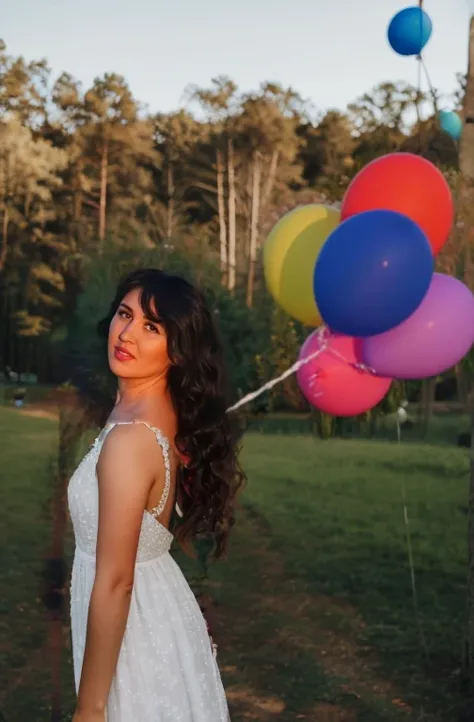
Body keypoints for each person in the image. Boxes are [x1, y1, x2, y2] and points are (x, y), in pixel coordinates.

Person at [68, 268, 245, 722]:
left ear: (178, 351)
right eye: (124, 315)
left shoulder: (131, 439)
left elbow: (115, 581)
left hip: (132, 633)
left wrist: (90, 709)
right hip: (149, 610)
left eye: (152, 327)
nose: (126, 334)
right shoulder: (147, 409)